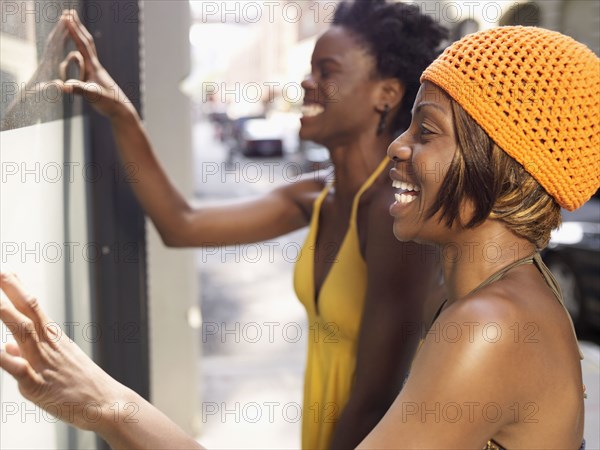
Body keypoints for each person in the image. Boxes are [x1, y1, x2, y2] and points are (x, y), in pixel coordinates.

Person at [1, 23, 598, 450]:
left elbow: (373, 393)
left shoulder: (489, 326)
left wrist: (107, 404)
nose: (398, 145)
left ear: (503, 164)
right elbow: (181, 223)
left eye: (426, 130)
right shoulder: (490, 296)